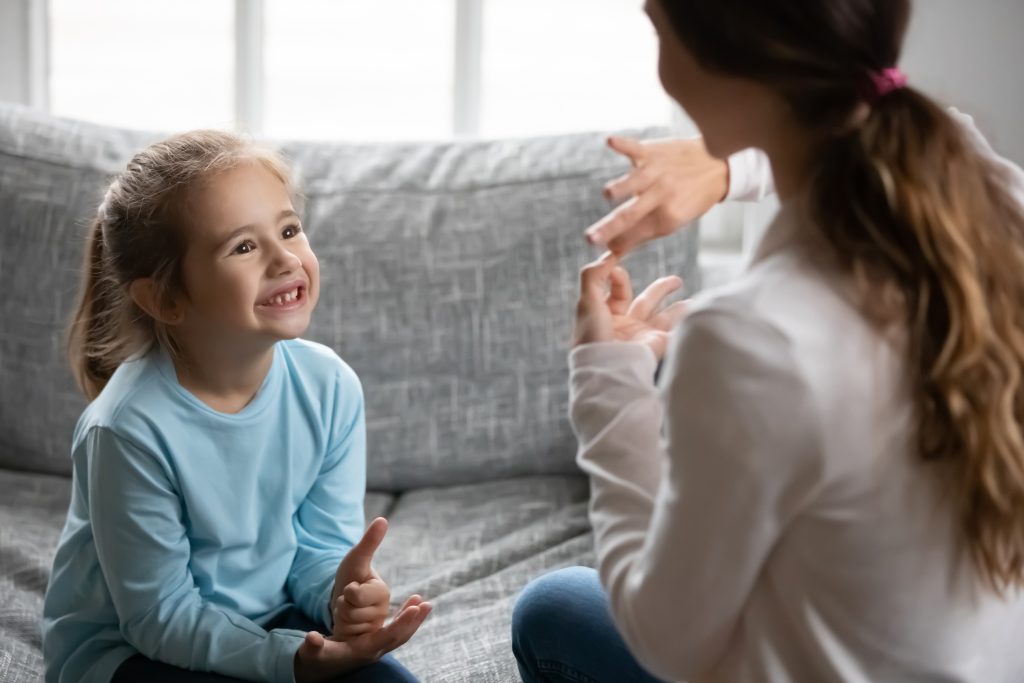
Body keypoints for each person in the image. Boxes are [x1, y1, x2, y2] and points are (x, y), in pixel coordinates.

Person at [513, 1, 1024, 681]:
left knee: (552, 609)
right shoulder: (994, 212)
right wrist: (730, 167)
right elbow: (939, 131)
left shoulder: (747, 339)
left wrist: (606, 378)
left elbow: (666, 641)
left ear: (716, 59)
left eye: (657, 26)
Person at [41, 131, 431, 683]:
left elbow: (318, 549)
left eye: (290, 229)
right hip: (133, 649)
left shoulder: (330, 387)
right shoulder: (126, 430)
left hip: (269, 620)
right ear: (165, 299)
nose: (284, 258)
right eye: (243, 247)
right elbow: (160, 616)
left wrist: (340, 596)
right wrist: (289, 661)